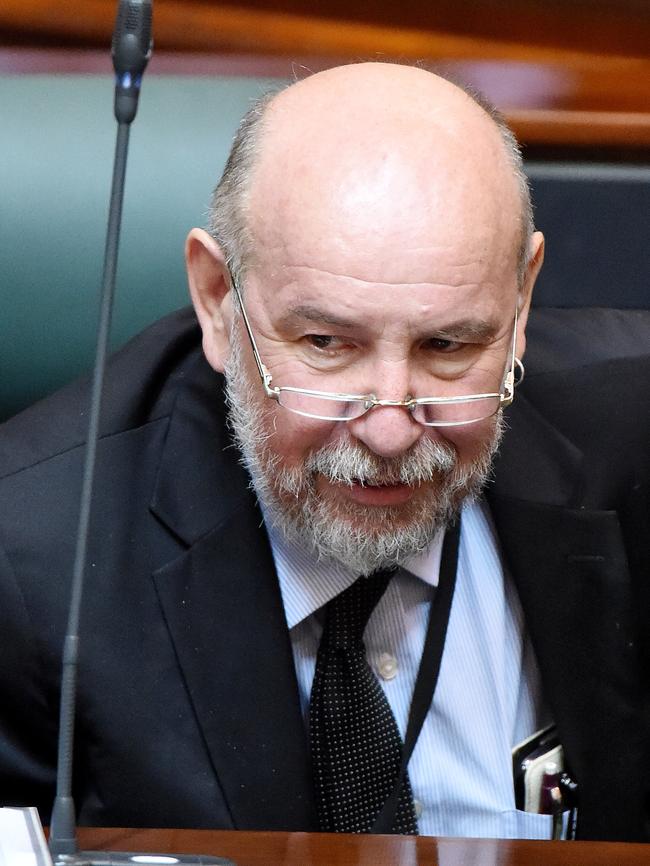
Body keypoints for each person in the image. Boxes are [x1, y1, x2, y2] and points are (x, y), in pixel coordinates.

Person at [0, 62, 647, 841]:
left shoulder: (631, 442)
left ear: (519, 305)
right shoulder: (30, 559)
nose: (389, 429)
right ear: (217, 300)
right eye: (326, 344)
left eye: (448, 346)